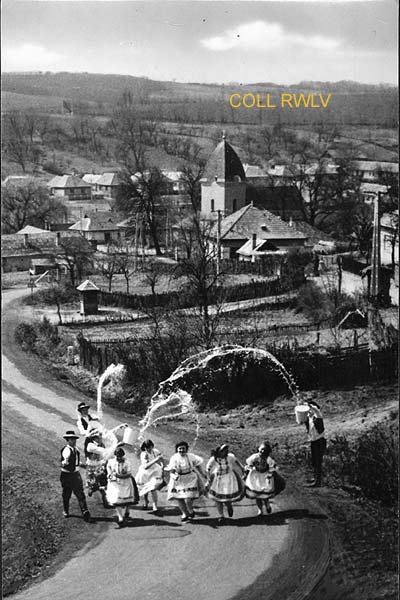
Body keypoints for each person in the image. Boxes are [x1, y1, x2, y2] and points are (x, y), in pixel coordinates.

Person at [165, 441, 206, 522]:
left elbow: (198, 465)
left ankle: (190, 510)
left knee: (188, 497)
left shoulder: (191, 456)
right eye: (179, 449)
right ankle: (184, 513)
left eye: (183, 449)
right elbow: (171, 470)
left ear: (186, 449)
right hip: (179, 479)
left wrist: (203, 474)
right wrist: (173, 476)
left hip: (190, 478)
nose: (181, 450)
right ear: (177, 449)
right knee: (179, 497)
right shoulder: (174, 458)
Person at [205, 444, 245, 524]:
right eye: (223, 451)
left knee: (226, 496)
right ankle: (221, 515)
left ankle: (229, 506)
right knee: (217, 498)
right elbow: (208, 468)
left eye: (226, 451)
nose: (225, 452)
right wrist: (208, 477)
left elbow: (238, 462)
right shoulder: (214, 459)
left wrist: (243, 470)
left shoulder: (230, 457)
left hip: (229, 478)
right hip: (218, 479)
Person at [84, 428, 123, 507]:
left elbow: (109, 433)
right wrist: (117, 446)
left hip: (101, 466)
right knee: (95, 484)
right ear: (94, 438)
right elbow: (103, 451)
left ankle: (106, 502)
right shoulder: (90, 446)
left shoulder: (100, 442)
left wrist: (120, 427)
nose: (101, 438)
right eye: (99, 437)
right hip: (92, 467)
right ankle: (92, 488)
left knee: (104, 485)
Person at [60, 430, 91, 521]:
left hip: (75, 475)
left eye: (74, 439)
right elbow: (65, 459)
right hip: (67, 475)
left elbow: (76, 461)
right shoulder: (66, 450)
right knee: (66, 493)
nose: (74, 441)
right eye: (71, 439)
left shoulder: (76, 450)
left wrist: (83, 465)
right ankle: (66, 510)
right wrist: (64, 462)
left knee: (80, 494)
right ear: (68, 440)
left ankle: (85, 512)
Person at [106, 447, 138, 527]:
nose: (119, 458)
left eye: (120, 456)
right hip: (115, 483)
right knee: (116, 499)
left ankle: (127, 510)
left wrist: (120, 476)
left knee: (127, 497)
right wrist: (110, 474)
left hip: (126, 481)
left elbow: (129, 474)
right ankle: (120, 517)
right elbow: (108, 468)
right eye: (117, 456)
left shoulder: (127, 462)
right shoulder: (111, 462)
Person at [245, 442, 277, 516]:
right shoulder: (254, 457)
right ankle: (260, 510)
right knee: (257, 495)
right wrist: (248, 469)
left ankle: (267, 504)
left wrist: (270, 474)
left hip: (264, 477)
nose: (262, 452)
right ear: (258, 449)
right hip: (256, 477)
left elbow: (272, 468)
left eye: (265, 450)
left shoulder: (268, 459)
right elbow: (249, 464)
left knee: (264, 494)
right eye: (261, 449)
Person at [135, 439, 164, 513]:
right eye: (147, 447)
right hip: (145, 472)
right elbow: (145, 467)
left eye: (150, 447)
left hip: (155, 471)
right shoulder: (144, 454)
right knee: (145, 488)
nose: (149, 449)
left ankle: (155, 506)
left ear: (152, 446)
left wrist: (162, 466)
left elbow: (161, 459)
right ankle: (146, 501)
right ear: (144, 448)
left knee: (153, 488)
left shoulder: (156, 451)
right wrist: (155, 460)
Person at [303, 400, 326, 488]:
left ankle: (318, 482)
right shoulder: (310, 419)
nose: (309, 411)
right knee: (314, 461)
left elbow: (316, 409)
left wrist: (308, 404)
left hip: (320, 441)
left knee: (318, 462)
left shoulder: (318, 415)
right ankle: (315, 478)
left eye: (310, 409)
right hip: (314, 442)